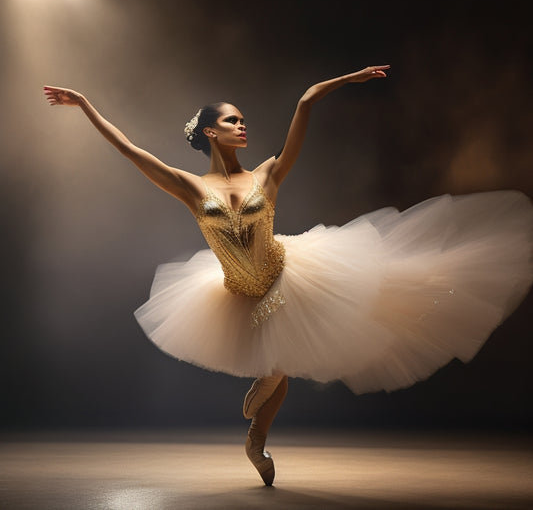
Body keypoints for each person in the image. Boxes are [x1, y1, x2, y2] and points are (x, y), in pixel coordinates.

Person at [43, 66, 533, 486]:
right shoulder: (191, 186)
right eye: (232, 120)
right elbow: (129, 149)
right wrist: (85, 103)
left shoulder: (269, 173)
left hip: (285, 275)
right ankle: (258, 433)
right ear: (211, 132)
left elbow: (305, 101)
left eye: (243, 119)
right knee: (278, 357)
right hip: (236, 290)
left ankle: (257, 435)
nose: (242, 125)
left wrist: (350, 79)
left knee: (285, 356)